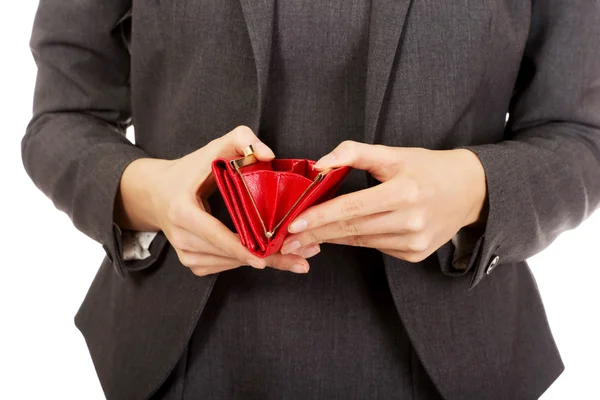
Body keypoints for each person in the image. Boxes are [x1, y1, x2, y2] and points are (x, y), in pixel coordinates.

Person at [22, 0, 600, 399]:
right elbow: (63, 118)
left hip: (457, 361)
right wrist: (150, 196)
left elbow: (580, 136)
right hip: (179, 352)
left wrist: (474, 186)